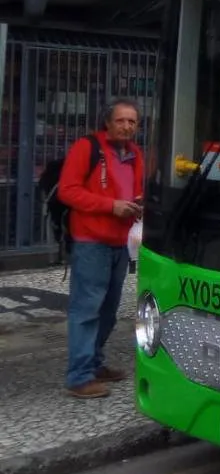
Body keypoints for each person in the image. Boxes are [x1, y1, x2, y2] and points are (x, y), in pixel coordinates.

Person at [58, 99, 145, 399]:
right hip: (91, 242)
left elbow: (136, 191)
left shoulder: (134, 154)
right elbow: (68, 190)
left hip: (120, 243)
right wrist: (111, 206)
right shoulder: (87, 147)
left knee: (108, 310)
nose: (126, 126)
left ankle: (94, 363)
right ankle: (79, 377)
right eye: (121, 120)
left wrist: (137, 206)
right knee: (86, 310)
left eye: (132, 121)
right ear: (107, 122)